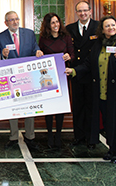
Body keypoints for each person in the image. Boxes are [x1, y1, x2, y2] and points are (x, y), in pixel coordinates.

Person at [66, 16, 116, 163]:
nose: (110, 28)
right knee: (107, 122)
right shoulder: (98, 45)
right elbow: (88, 64)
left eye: (113, 25)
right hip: (103, 92)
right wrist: (73, 71)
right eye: (107, 26)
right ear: (102, 29)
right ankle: (111, 149)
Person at [0, 11, 43, 149]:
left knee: (30, 107)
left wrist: (38, 52)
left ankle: (30, 136)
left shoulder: (29, 33)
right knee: (13, 106)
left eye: (17, 19)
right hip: (11, 77)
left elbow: (35, 48)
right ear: (6, 23)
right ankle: (13, 137)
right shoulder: (0, 37)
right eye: (11, 20)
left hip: (28, 76)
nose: (15, 22)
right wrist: (3, 55)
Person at [38, 13, 74, 148]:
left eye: (57, 22)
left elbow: (73, 54)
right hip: (48, 78)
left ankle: (58, 135)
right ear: (48, 25)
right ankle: (49, 135)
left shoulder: (66, 37)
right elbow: (39, 54)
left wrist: (68, 56)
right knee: (49, 108)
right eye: (53, 23)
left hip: (63, 75)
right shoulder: (43, 39)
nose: (56, 25)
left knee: (60, 107)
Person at [66, 1, 99, 148]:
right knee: (78, 106)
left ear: (90, 11)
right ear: (76, 13)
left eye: (85, 10)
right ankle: (79, 137)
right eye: (80, 11)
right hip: (76, 74)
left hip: (92, 73)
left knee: (91, 107)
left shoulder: (98, 27)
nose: (83, 13)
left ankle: (92, 139)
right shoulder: (70, 29)